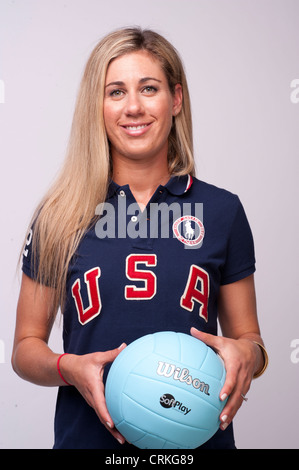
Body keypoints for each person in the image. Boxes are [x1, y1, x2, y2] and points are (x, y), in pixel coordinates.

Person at [12, 27, 268, 449]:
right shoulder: (59, 214)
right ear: (98, 105)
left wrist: (248, 355)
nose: (133, 107)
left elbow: (250, 340)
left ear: (176, 99)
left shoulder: (222, 211)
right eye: (115, 92)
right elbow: (25, 348)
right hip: (88, 442)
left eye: (149, 88)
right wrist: (69, 367)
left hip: (195, 444)